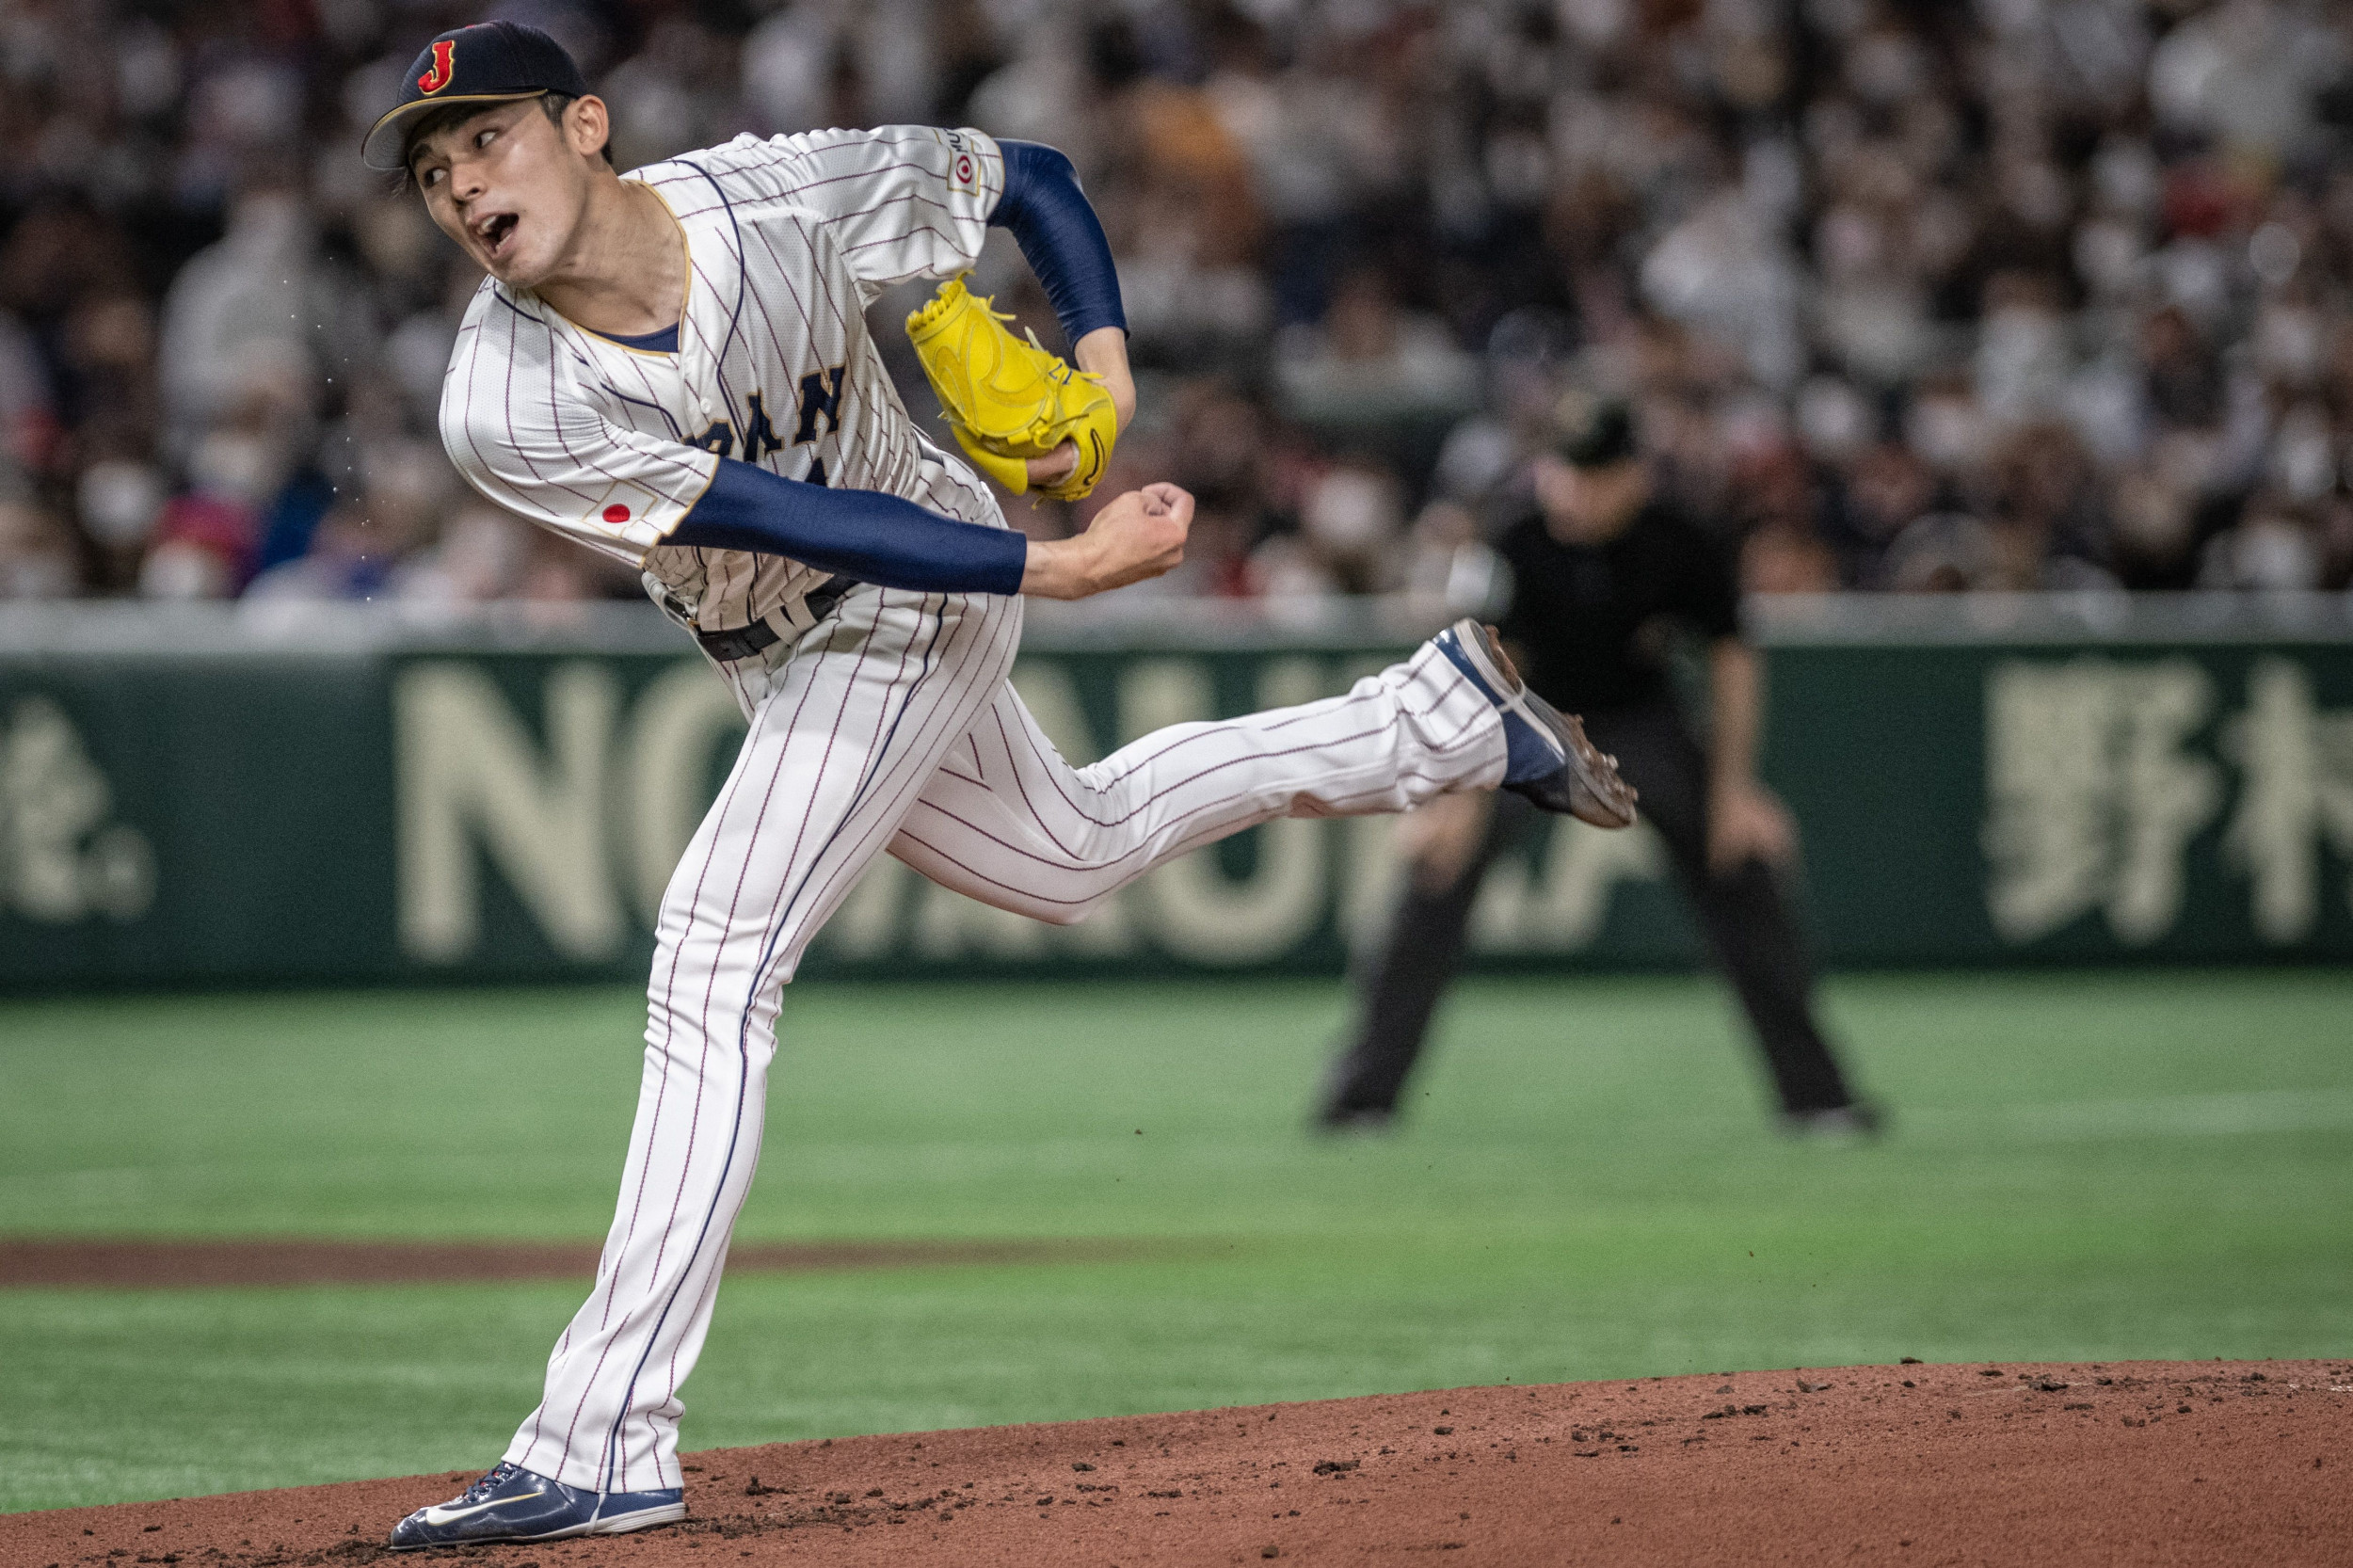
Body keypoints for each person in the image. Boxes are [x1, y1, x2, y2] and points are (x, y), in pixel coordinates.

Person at [362, 22, 1636, 1550]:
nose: (461, 185)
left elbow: (1031, 181)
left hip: (916, 598)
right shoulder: (502, 398)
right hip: (823, 614)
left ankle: (602, 1434)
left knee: (711, 953)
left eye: (487, 138)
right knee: (1071, 852)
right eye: (435, 170)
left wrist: (1104, 367)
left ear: (586, 127)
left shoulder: (781, 195)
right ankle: (1432, 719)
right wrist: (1064, 558)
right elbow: (775, 514)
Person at [1316, 399, 1878, 1138]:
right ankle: (1361, 1101)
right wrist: (1454, 801)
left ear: (1632, 477)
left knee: (1743, 870)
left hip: (1640, 725)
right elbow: (1480, 676)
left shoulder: (1678, 539)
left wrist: (1735, 791)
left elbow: (1732, 660)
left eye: (1593, 477)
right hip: (1521, 726)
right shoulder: (1512, 541)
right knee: (1435, 876)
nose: (1573, 493)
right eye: (1564, 475)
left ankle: (1819, 1099)